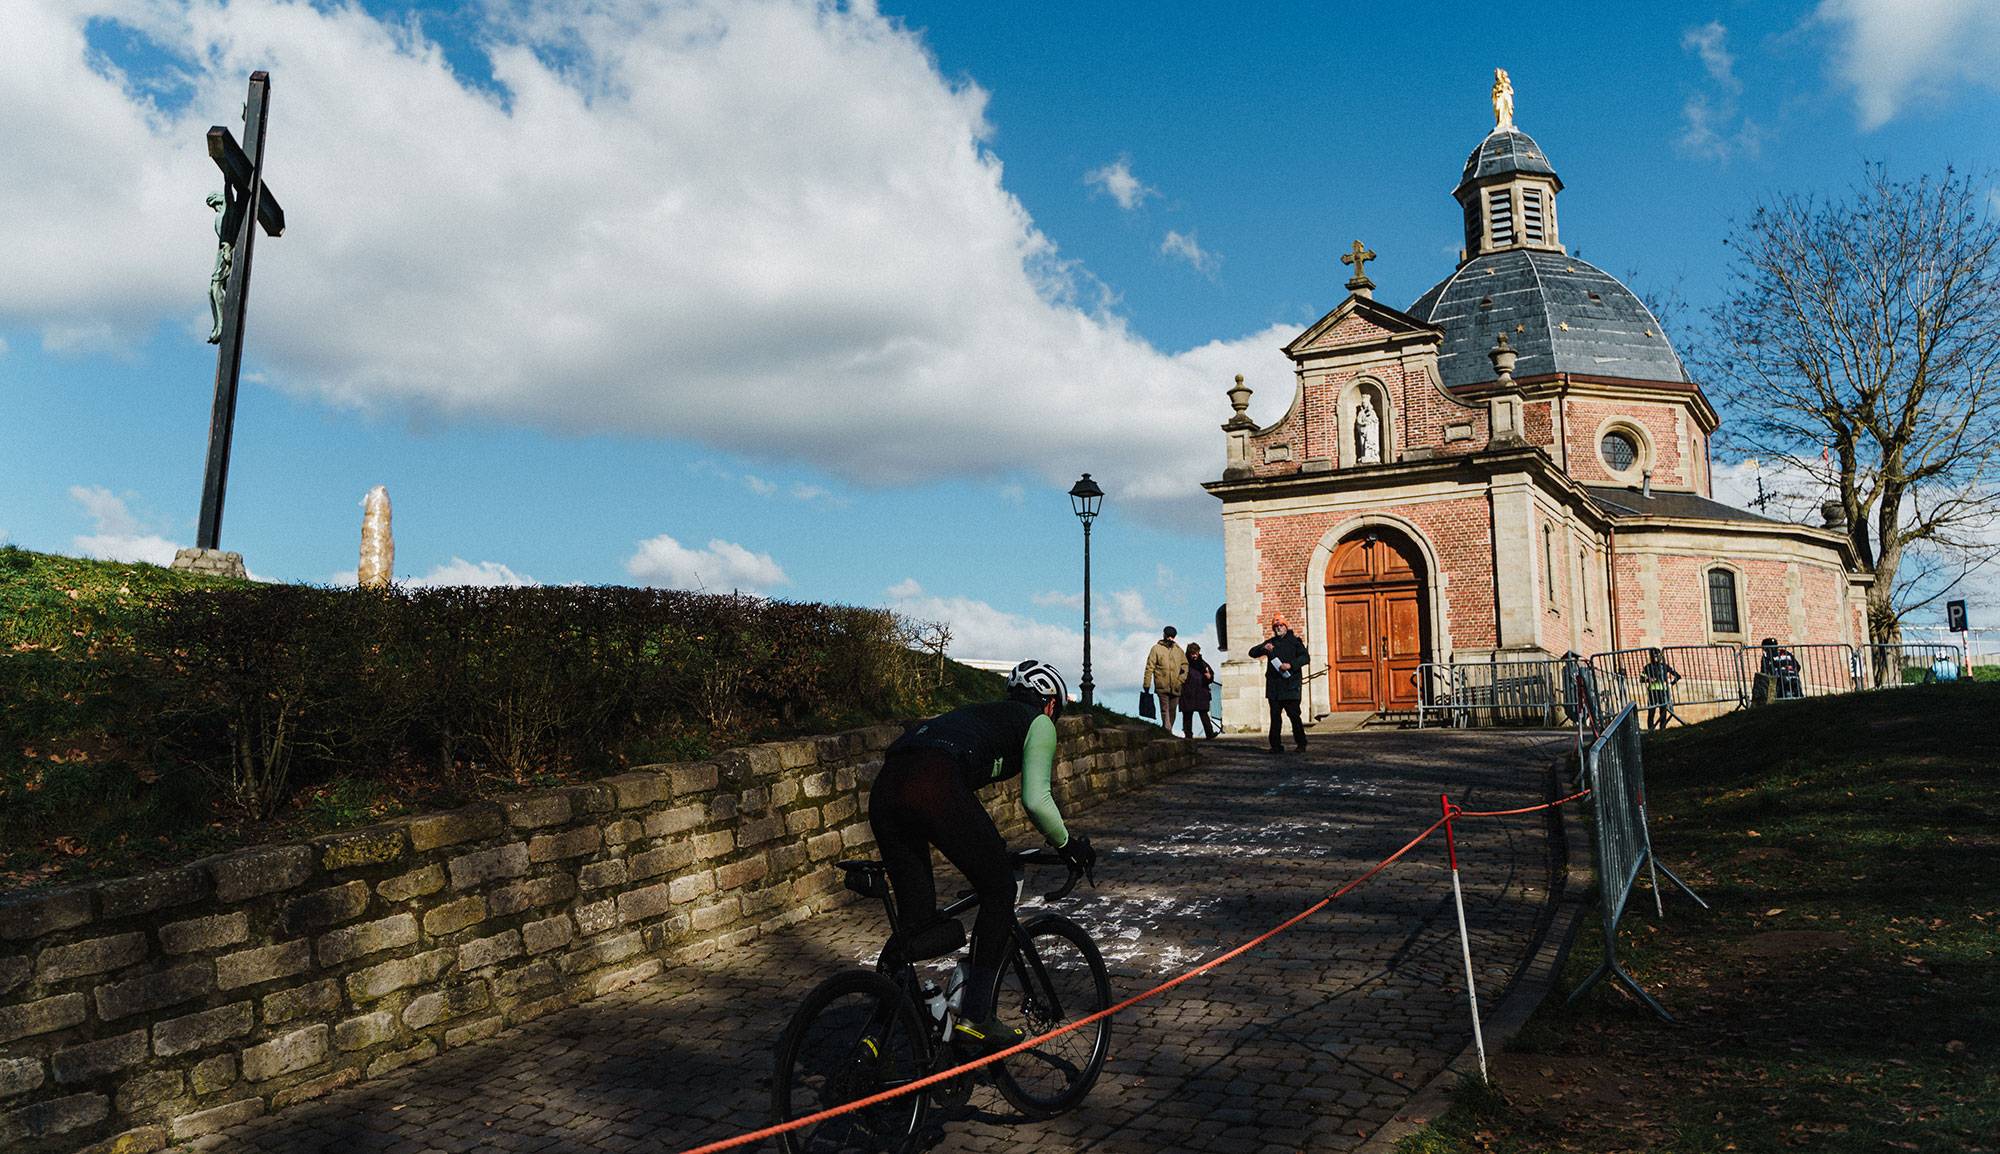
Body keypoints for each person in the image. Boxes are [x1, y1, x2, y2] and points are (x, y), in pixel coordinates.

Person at [868, 660, 1096, 1054]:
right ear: (1051, 705)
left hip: (887, 787)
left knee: (918, 926)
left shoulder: (980, 715)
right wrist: (1068, 846)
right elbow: (1037, 800)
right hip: (932, 783)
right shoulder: (1038, 722)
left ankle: (878, 1037)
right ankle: (976, 1015)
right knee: (999, 888)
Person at [1247, 615, 1310, 752]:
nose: (1278, 628)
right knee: (1275, 718)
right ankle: (1275, 746)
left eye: (1281, 626)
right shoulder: (1271, 642)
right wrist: (1264, 649)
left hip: (1290, 685)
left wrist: (1291, 665)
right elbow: (1252, 652)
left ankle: (1301, 743)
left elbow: (1305, 658)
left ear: (1286, 626)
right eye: (1276, 626)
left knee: (1294, 716)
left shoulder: (1295, 642)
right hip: (1274, 687)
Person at [1143, 626, 1189, 729]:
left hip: (1176, 686)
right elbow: (1149, 667)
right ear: (1164, 635)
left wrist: (1181, 680)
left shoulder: (1178, 650)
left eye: (1172, 637)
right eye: (1168, 636)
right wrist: (1147, 684)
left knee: (1172, 710)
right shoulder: (1156, 649)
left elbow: (1185, 665)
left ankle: (1167, 729)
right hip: (1162, 685)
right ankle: (1168, 731)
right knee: (1165, 710)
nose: (1170, 638)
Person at [1179, 642, 1218, 740]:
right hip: (1188, 692)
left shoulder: (1202, 663)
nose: (1195, 655)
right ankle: (1188, 736)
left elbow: (1210, 676)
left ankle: (1209, 733)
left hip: (1201, 692)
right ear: (1189, 653)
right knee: (1187, 715)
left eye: (1196, 653)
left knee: (1204, 715)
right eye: (1192, 653)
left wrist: (1209, 677)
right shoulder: (1184, 664)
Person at [1640, 647, 1681, 730]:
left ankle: (1662, 728)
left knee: (1662, 711)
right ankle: (1652, 729)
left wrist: (1670, 684)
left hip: (1662, 691)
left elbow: (1678, 676)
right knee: (1652, 711)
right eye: (1654, 656)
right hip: (1654, 691)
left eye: (1657, 656)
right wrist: (1649, 679)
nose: (1656, 658)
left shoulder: (1664, 666)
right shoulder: (1648, 667)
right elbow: (1641, 679)